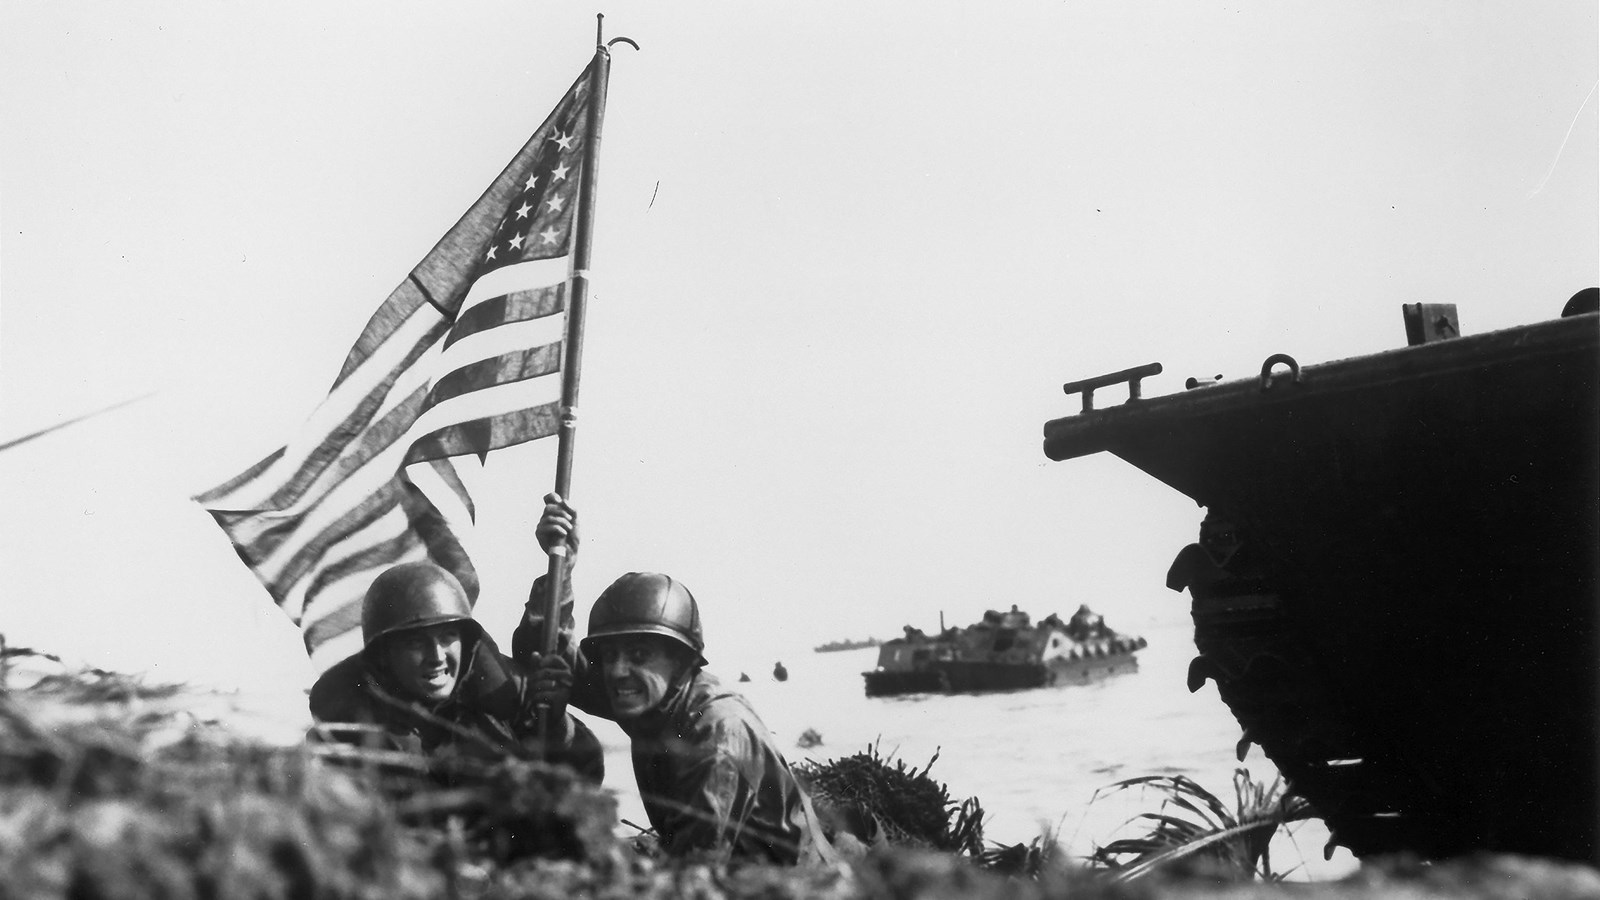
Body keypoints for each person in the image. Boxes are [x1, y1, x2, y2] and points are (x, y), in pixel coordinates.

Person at [517, 493, 836, 866]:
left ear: (681, 662)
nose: (618, 671)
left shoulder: (717, 733)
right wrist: (561, 567)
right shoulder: (650, 697)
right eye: (610, 655)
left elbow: (694, 873)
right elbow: (539, 656)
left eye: (639, 655)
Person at [308, 559, 604, 783]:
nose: (437, 657)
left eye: (448, 637)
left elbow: (585, 778)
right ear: (384, 655)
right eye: (415, 642)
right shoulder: (345, 737)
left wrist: (554, 726)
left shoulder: (496, 714)